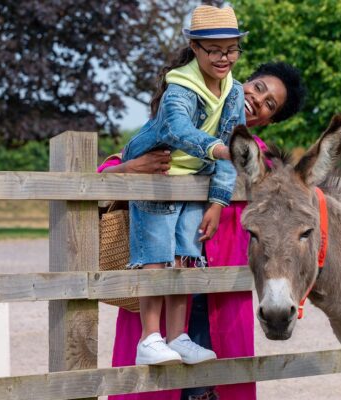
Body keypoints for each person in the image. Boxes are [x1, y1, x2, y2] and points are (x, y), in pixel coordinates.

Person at [100, 61, 306, 400]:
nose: (258, 99)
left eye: (270, 104)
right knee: (154, 385)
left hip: (219, 296)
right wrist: (129, 169)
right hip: (160, 284)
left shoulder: (258, 162)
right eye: (258, 87)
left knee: (212, 388)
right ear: (243, 83)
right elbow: (98, 178)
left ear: (267, 122)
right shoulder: (174, 132)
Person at [120, 4, 248, 368]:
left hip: (194, 183)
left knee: (183, 258)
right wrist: (218, 148)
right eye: (215, 50)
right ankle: (149, 337)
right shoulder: (180, 87)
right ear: (194, 47)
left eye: (232, 49)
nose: (225, 58)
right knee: (156, 257)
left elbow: (233, 145)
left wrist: (218, 201)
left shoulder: (234, 92)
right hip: (160, 178)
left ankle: (178, 336)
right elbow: (177, 130)